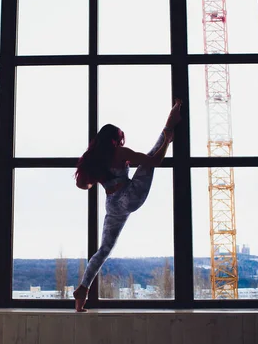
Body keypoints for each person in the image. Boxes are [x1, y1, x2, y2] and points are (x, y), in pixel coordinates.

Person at [72, 98, 183, 312]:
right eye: (120, 139)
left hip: (112, 204)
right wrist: (167, 141)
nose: (122, 143)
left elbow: (82, 184)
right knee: (149, 158)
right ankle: (169, 124)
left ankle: (83, 290)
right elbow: (153, 162)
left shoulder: (93, 158)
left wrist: (98, 176)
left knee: (104, 250)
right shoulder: (120, 153)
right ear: (115, 140)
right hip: (128, 196)